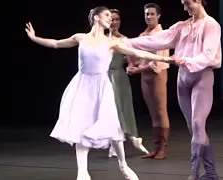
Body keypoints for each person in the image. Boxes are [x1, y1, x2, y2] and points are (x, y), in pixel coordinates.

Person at [25, 6, 172, 180]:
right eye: (107, 15)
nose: (111, 19)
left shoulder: (112, 42)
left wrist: (164, 58)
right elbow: (56, 43)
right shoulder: (81, 38)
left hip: (102, 86)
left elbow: (136, 52)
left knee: (112, 126)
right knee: (80, 126)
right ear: (96, 17)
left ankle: (123, 165)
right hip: (82, 85)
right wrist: (34, 38)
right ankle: (82, 170)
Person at [122, 0, 221, 179]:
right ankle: (211, 172)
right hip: (183, 78)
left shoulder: (211, 25)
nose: (185, 7)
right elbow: (156, 40)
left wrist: (187, 60)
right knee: (194, 128)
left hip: (202, 76)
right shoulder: (182, 26)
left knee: (198, 124)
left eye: (187, 3)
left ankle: (194, 173)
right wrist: (126, 43)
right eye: (183, 3)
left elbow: (208, 54)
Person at [127, 3, 171, 160]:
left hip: (156, 74)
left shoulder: (162, 34)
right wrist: (132, 64)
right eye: (147, 14)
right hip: (145, 75)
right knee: (153, 112)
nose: (149, 17)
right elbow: (138, 57)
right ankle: (156, 147)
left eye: (152, 14)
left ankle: (163, 148)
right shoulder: (143, 34)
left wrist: (137, 69)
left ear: (158, 16)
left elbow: (157, 63)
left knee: (160, 110)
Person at [106, 9, 149, 158]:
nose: (114, 22)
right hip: (104, 77)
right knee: (110, 110)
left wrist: (131, 64)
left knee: (123, 107)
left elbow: (133, 58)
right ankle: (115, 141)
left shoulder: (124, 39)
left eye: (117, 19)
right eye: (111, 19)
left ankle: (132, 136)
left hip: (118, 76)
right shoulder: (102, 38)